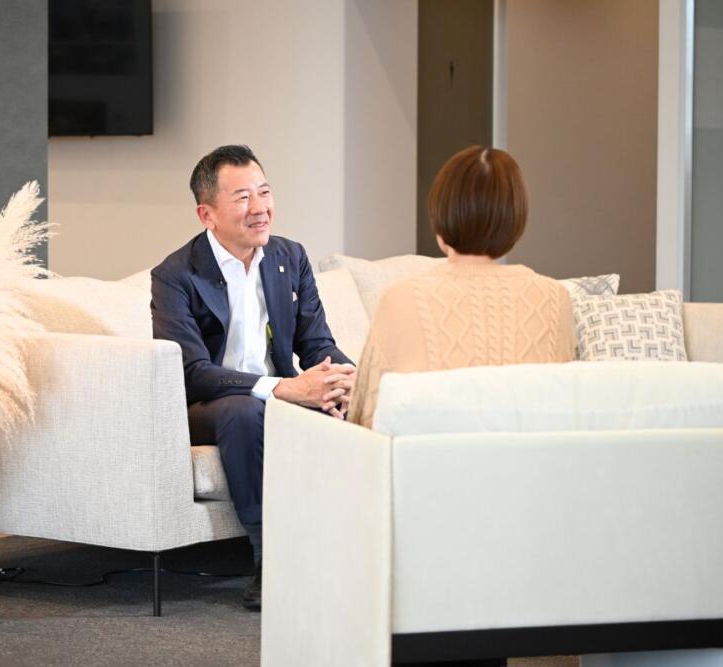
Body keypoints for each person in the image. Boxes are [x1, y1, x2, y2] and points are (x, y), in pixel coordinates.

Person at [151, 145, 355, 610]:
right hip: (207, 407)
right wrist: (284, 388)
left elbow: (316, 344)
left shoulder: (290, 257)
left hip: (277, 398)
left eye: (264, 192)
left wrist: (346, 379)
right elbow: (192, 372)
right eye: (242, 197)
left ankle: (350, 550)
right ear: (207, 214)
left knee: (345, 402)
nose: (259, 207)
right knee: (244, 410)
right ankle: (269, 557)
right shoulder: (175, 275)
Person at [349, 145, 575, 429]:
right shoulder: (555, 299)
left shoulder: (399, 299)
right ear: (515, 219)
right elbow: (564, 411)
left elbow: (366, 421)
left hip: (427, 456)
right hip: (529, 457)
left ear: (441, 216)